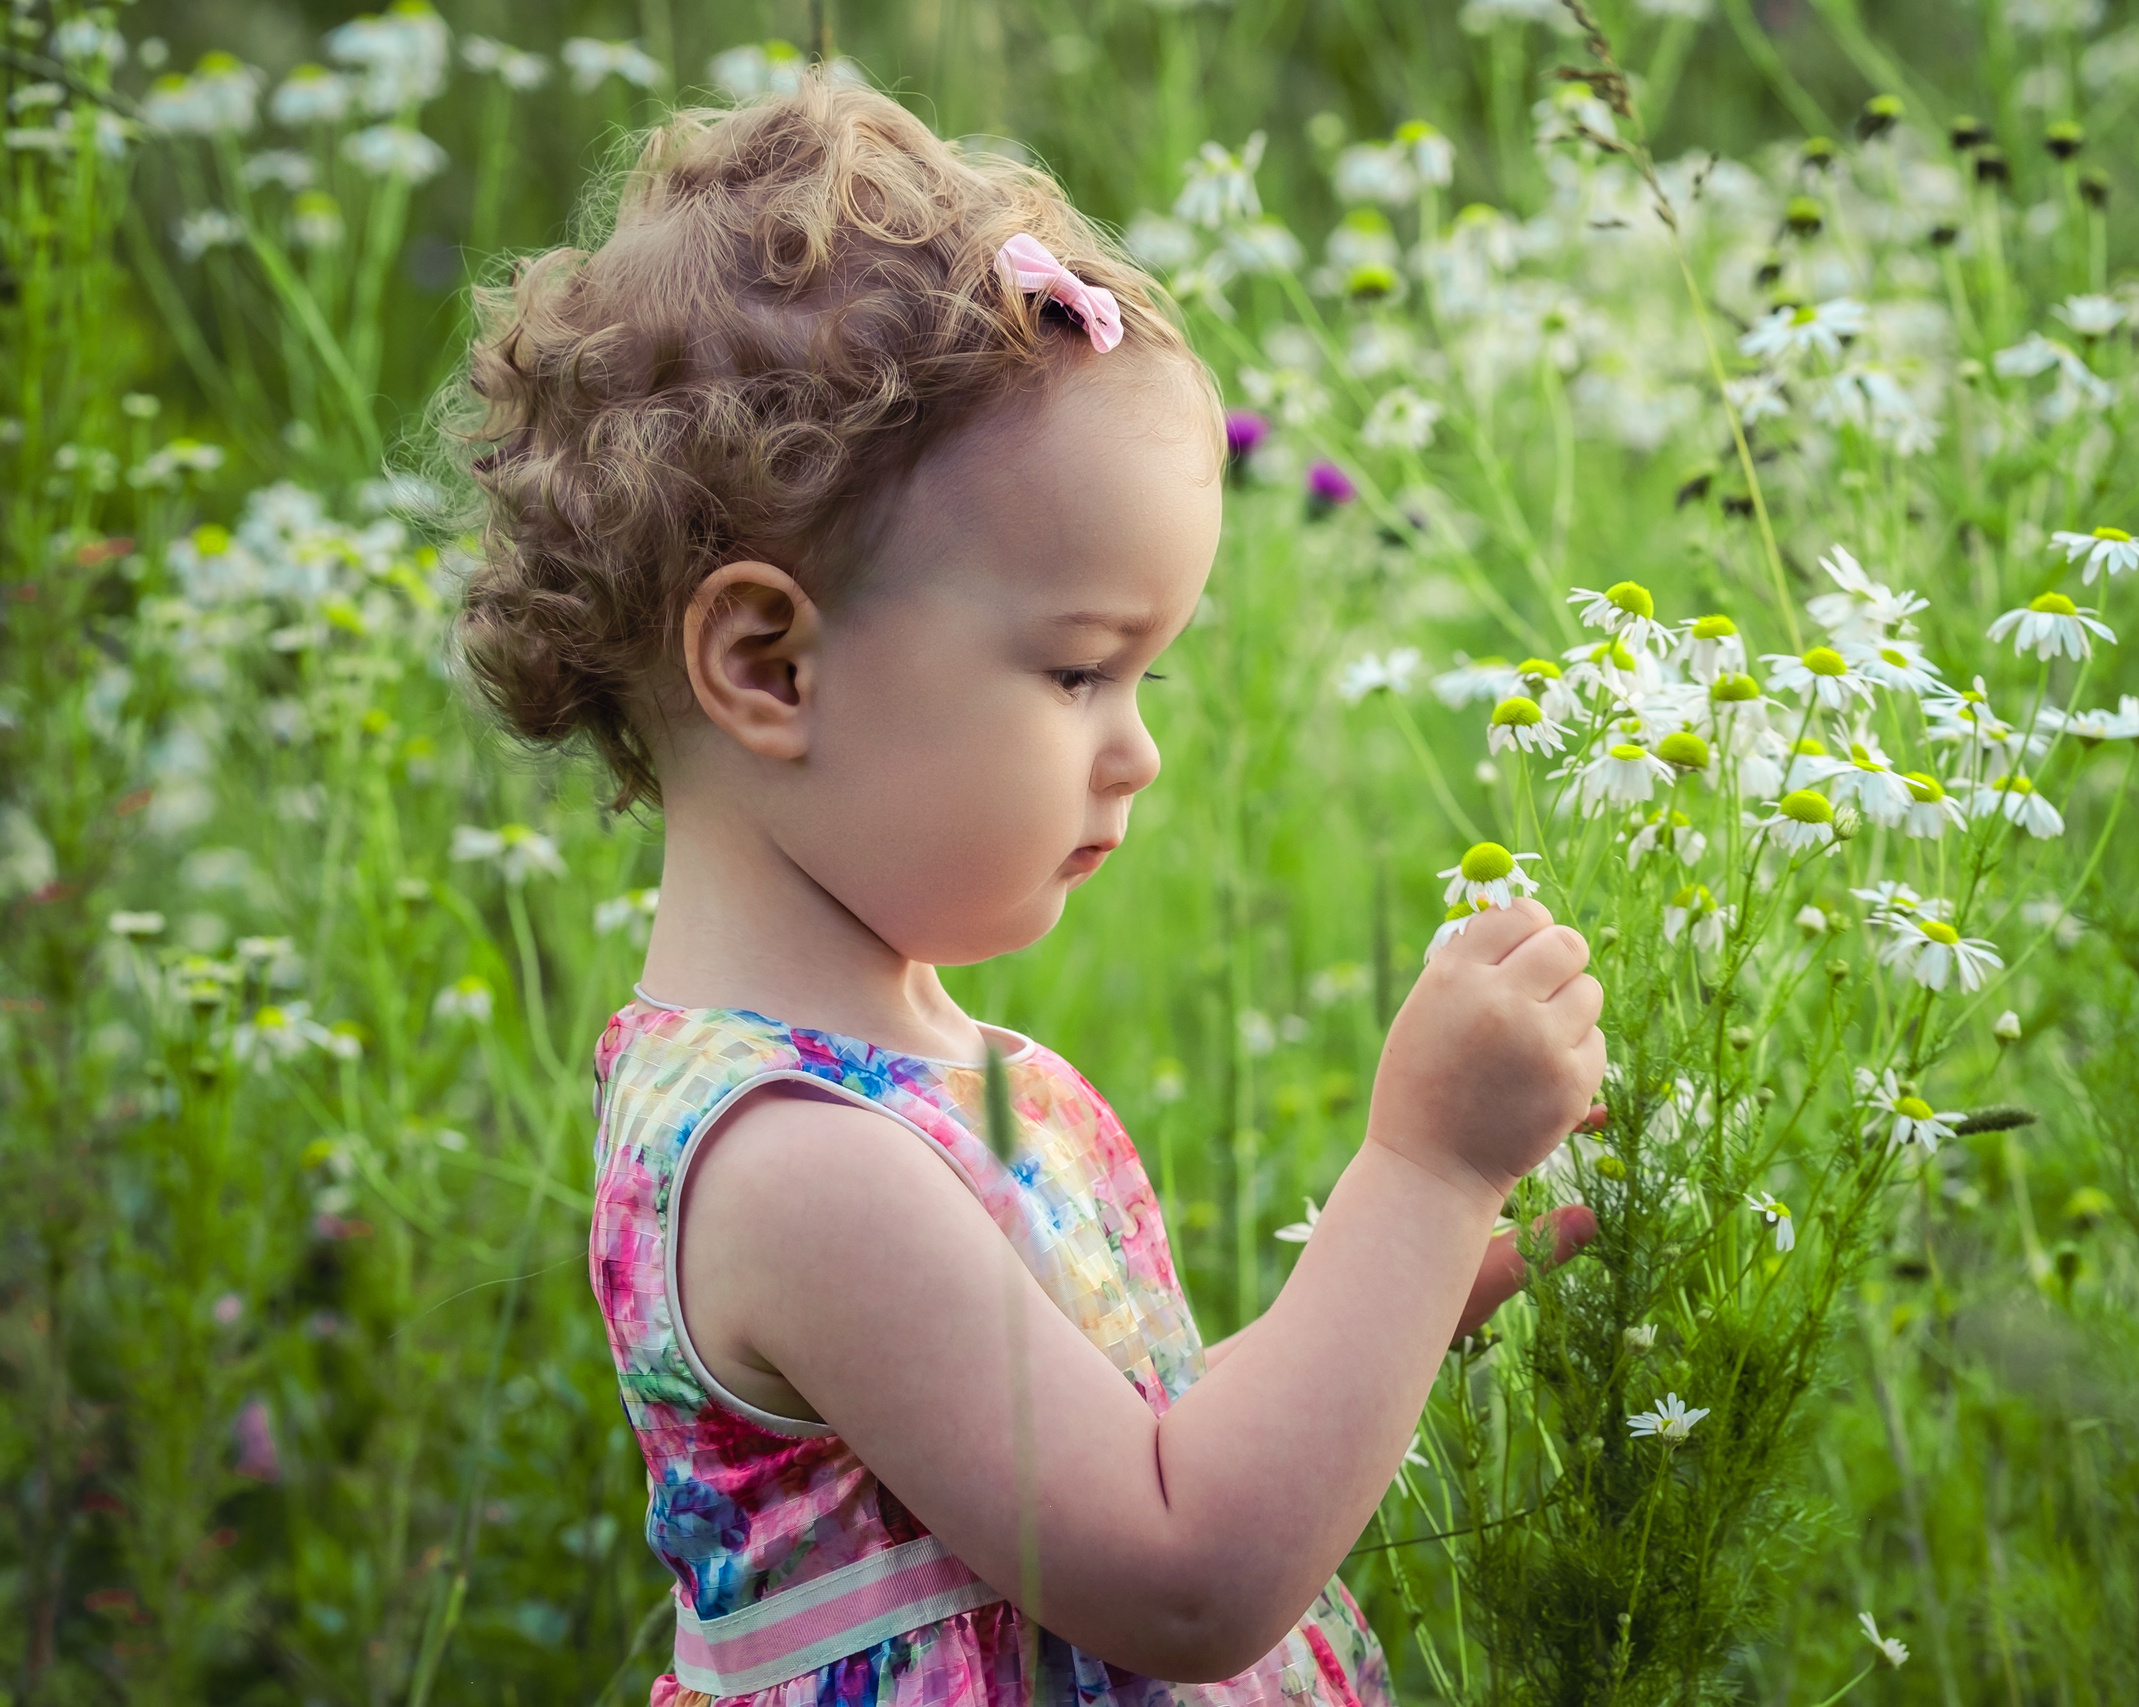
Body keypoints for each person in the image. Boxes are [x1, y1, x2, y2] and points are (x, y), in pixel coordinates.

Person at [445, 76, 1604, 1707]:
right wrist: (1416, 1174)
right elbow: (1186, 1575)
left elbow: (1134, 1450)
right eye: (1077, 674)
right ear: (770, 663)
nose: (1137, 754)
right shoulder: (796, 1163)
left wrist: (1409, 1287)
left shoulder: (922, 1075)